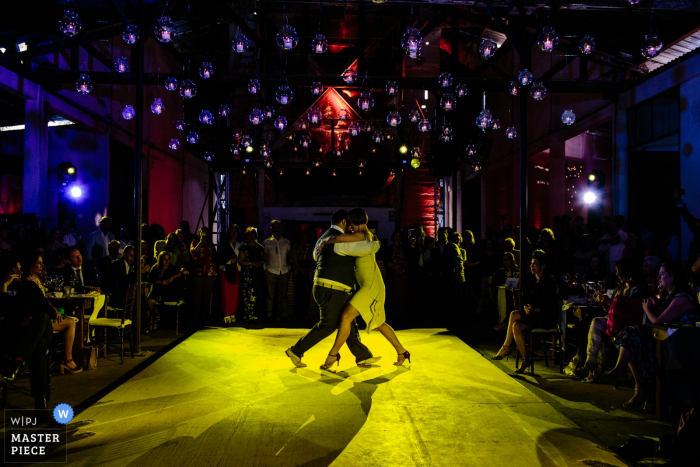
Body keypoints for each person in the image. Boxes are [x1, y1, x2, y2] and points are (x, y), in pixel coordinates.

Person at [314, 208, 410, 371]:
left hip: (370, 286)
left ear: (354, 222)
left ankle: (332, 355)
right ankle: (402, 352)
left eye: (350, 223)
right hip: (372, 283)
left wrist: (325, 241)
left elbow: (339, 239)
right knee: (380, 323)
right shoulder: (367, 235)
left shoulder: (362, 235)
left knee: (345, 317)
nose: (348, 227)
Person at [286, 209, 380, 369]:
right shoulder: (341, 241)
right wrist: (376, 242)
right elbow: (367, 248)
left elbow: (316, 256)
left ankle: (363, 356)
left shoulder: (322, 238)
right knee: (328, 325)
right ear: (343, 222)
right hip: (334, 289)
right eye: (349, 224)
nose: (350, 228)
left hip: (321, 286)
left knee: (347, 320)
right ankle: (296, 350)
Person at [601, 262, 700, 408]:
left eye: (662, 274)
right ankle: (635, 384)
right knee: (630, 338)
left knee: (631, 337)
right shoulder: (669, 297)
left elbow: (658, 321)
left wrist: (647, 309)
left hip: (679, 347)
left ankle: (633, 382)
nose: (658, 278)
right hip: (666, 340)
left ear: (673, 277)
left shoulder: (682, 298)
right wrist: (654, 305)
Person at [565, 257, 644, 383]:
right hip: (617, 321)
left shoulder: (635, 289)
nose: (617, 274)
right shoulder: (620, 288)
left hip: (629, 322)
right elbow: (612, 313)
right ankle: (590, 363)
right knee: (596, 322)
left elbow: (625, 311)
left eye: (619, 271)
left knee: (598, 328)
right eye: (616, 271)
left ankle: (591, 366)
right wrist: (603, 304)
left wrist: (609, 302)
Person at [0, 255, 54, 423]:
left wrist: (31, 316)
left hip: (33, 331)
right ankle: (41, 404)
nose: (20, 271)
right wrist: (3, 286)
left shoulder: (29, 287)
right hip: (14, 338)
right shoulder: (2, 289)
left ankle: (17, 363)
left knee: (42, 317)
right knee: (38, 348)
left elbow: (49, 311)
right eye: (15, 269)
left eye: (20, 268)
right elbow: (3, 312)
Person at [491, 250, 558, 374]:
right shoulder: (532, 281)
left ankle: (506, 347)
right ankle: (526, 359)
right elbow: (527, 298)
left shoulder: (548, 283)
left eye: (535, 264)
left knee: (514, 315)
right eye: (531, 264)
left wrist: (534, 309)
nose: (532, 266)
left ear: (543, 266)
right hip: (532, 316)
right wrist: (527, 307)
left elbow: (550, 306)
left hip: (544, 317)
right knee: (516, 325)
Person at [22, 252, 82, 374]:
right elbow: (38, 303)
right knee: (70, 322)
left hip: (42, 315)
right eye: (39, 263)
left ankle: (62, 358)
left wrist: (55, 310)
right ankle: (67, 359)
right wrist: (53, 312)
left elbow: (43, 300)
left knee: (71, 318)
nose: (42, 265)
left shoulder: (35, 279)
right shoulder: (27, 282)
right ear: (30, 265)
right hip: (38, 321)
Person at [146, 251, 188, 333]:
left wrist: (172, 277)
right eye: (165, 259)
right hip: (157, 292)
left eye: (168, 259)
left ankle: (155, 320)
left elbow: (185, 271)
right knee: (147, 306)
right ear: (161, 260)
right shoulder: (155, 268)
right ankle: (154, 321)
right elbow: (150, 280)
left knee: (149, 302)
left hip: (168, 293)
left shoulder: (172, 268)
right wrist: (160, 282)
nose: (167, 261)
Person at [263, 220, 292, 321]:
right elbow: (264, 256)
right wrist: (265, 268)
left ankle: (284, 316)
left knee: (283, 296)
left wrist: (289, 268)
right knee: (270, 296)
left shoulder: (287, 242)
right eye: (275, 227)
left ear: (280, 228)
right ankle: (269, 316)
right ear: (271, 228)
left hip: (284, 271)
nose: (277, 228)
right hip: (270, 270)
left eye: (278, 227)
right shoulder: (266, 242)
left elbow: (289, 256)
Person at [190, 226, 217, 328]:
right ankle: (196, 319)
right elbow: (193, 252)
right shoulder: (194, 242)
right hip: (198, 273)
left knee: (207, 297)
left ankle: (206, 317)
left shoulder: (211, 245)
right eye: (202, 232)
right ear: (199, 233)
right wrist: (201, 241)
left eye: (206, 232)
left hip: (209, 274)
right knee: (197, 296)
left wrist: (214, 272)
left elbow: (214, 258)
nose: (204, 234)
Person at [238, 227, 266, 321]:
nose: (251, 237)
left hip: (258, 274)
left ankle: (257, 315)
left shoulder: (260, 247)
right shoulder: (243, 248)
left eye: (252, 235)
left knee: (258, 294)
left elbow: (265, 258)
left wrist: (260, 263)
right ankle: (247, 316)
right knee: (247, 295)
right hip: (247, 275)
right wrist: (251, 263)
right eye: (249, 235)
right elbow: (240, 261)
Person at [218, 224, 243, 323]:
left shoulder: (241, 244)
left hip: (236, 270)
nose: (233, 233)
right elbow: (219, 256)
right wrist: (229, 260)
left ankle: (233, 313)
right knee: (226, 293)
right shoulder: (224, 243)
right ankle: (226, 314)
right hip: (225, 270)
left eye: (235, 231)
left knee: (235, 294)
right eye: (231, 231)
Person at [288, 230, 315, 323]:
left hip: (308, 274)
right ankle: (297, 315)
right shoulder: (295, 248)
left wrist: (309, 269)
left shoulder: (311, 247)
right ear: (300, 238)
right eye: (302, 237)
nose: (304, 239)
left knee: (306, 295)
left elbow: (316, 259)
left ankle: (305, 315)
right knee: (298, 295)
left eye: (306, 238)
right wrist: (299, 269)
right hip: (298, 274)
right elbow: (291, 260)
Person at [104, 245, 136, 309]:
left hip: (124, 296)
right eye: (130, 255)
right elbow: (123, 282)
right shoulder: (118, 265)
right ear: (124, 254)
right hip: (117, 298)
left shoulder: (130, 265)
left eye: (134, 256)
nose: (133, 258)